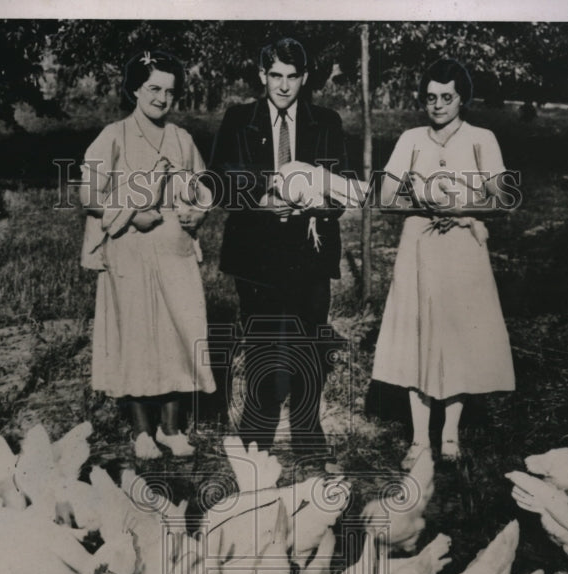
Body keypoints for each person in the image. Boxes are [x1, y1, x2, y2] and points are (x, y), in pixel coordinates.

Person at [209, 37, 348, 462]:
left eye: (292, 77)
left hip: (310, 250)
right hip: (257, 251)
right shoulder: (240, 119)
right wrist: (267, 191)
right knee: (263, 344)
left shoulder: (326, 121)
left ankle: (307, 433)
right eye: (275, 75)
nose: (284, 86)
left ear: (304, 78)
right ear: (261, 75)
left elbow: (341, 189)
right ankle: (258, 435)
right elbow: (219, 181)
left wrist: (315, 200)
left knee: (310, 342)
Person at [371, 59, 516, 468]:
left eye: (446, 97)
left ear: (462, 99)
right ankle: (419, 439)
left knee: (458, 335)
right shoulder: (411, 139)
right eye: (430, 97)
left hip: (462, 246)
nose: (437, 105)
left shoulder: (481, 139)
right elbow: (385, 197)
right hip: (419, 242)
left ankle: (450, 433)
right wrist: (425, 200)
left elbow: (503, 198)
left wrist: (461, 206)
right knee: (417, 335)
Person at [78, 50, 216, 460]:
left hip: (174, 250)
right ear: (135, 89)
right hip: (130, 250)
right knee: (137, 335)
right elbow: (88, 194)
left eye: (169, 91)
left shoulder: (181, 138)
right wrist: (131, 212)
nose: (161, 98)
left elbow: (202, 187)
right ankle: (141, 432)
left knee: (178, 332)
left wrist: (199, 210)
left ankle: (171, 429)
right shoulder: (115, 135)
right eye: (153, 88)